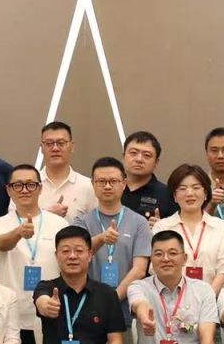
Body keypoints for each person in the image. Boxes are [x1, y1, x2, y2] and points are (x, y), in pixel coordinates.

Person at [0, 162, 73, 344]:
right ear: (8, 190)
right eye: (18, 185)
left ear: (40, 188)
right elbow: (0, 244)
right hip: (11, 318)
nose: (24, 190)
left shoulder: (59, 224)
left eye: (30, 184)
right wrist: (18, 233)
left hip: (48, 316)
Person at [72, 157, 149, 303]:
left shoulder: (139, 222)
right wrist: (101, 238)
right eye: (101, 181)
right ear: (93, 185)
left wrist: (113, 300)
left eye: (113, 181)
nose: (107, 186)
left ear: (124, 184)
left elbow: (139, 270)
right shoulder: (81, 222)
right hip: (87, 302)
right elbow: (76, 255)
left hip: (125, 304)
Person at [153, 164, 224, 294]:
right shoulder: (162, 227)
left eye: (196, 187)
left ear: (206, 193)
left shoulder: (221, 227)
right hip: (172, 299)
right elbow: (155, 266)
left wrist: (208, 296)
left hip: (213, 299)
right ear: (174, 196)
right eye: (182, 188)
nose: (190, 193)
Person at [39, 121, 94, 217]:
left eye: (61, 143)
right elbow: (15, 223)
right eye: (49, 143)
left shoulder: (89, 186)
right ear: (41, 148)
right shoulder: (28, 186)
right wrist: (47, 216)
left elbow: (97, 224)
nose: (55, 148)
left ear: (72, 147)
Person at [119, 131, 172, 220]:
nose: (139, 159)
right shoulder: (111, 188)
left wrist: (162, 226)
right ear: (123, 157)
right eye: (133, 153)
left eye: (146, 155)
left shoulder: (167, 195)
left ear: (156, 162)